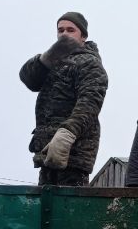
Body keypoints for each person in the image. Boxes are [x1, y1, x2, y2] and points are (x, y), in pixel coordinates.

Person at [20, 12, 108, 186]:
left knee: (68, 207)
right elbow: (29, 79)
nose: (64, 34)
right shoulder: (53, 61)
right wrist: (46, 59)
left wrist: (67, 134)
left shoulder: (89, 63)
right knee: (47, 206)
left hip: (73, 151)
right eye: (60, 30)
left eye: (70, 30)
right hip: (48, 150)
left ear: (83, 36)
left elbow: (90, 103)